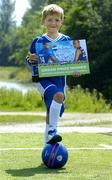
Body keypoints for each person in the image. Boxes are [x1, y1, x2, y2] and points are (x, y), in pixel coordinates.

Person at [26, 4, 80, 145]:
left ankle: (46, 146)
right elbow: (30, 60)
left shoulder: (66, 40)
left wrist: (76, 69)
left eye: (57, 20)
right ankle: (53, 131)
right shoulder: (38, 41)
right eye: (50, 20)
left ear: (61, 22)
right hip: (42, 79)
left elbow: (69, 61)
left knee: (52, 110)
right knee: (58, 96)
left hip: (59, 80)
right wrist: (32, 60)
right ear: (43, 21)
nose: (53, 23)